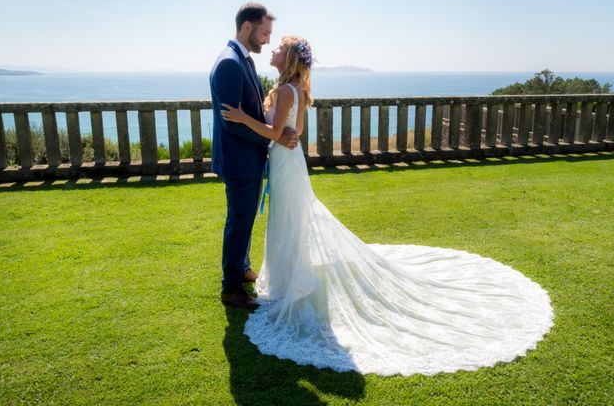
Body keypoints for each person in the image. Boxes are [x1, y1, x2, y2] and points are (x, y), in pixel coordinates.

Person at [221, 36, 554, 376]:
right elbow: (295, 131)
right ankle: (289, 277)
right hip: (288, 163)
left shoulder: (288, 91)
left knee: (291, 220)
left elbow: (277, 131)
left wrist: (241, 118)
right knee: (290, 220)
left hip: (285, 163)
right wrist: (283, 134)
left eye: (279, 47)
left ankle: (292, 282)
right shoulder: (295, 89)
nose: (273, 49)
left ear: (289, 57)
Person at [209, 2, 298, 310]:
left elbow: (249, 111)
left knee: (246, 219)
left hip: (248, 157)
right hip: (239, 159)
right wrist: (273, 136)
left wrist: (272, 131)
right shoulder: (229, 64)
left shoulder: (243, 59)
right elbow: (231, 124)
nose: (267, 40)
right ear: (247, 27)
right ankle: (230, 287)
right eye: (264, 32)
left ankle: (242, 266)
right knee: (239, 220)